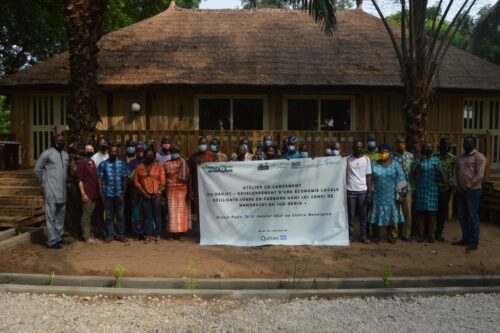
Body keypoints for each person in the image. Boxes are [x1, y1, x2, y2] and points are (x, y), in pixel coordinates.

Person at [34, 134, 70, 249]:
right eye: (57, 140)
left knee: (60, 216)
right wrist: (43, 182)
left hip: (62, 191)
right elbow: (37, 169)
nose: (60, 142)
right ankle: (52, 241)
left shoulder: (66, 155)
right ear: (52, 141)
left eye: (62, 140)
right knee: (50, 216)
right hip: (50, 190)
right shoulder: (47, 153)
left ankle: (58, 238)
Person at [368, 144, 406, 244]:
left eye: (385, 152)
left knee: (391, 216)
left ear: (389, 152)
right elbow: (369, 179)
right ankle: (376, 235)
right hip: (377, 194)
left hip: (391, 194)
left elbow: (401, 178)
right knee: (376, 214)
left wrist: (401, 194)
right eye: (381, 151)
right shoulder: (373, 164)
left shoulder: (395, 164)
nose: (383, 153)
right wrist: (369, 193)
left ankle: (390, 235)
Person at [453, 136, 486, 251]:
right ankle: (465, 238)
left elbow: (480, 175)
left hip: (473, 190)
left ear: (474, 144)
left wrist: (468, 185)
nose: (466, 144)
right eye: (465, 143)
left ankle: (474, 241)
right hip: (460, 190)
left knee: (472, 216)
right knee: (462, 215)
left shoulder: (479, 157)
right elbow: (455, 172)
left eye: (469, 143)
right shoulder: (460, 157)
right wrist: (456, 185)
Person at [412, 142, 444, 243]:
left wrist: (439, 170)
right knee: (420, 213)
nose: (428, 149)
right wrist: (419, 164)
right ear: (423, 149)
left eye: (430, 147)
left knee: (432, 214)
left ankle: (430, 235)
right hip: (421, 189)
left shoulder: (437, 161)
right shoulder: (418, 160)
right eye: (426, 147)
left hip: (433, 190)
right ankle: (421, 235)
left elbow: (443, 177)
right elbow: (413, 175)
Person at [98, 145, 129, 243]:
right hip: (107, 194)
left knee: (120, 216)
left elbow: (125, 179)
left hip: (119, 194)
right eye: (111, 152)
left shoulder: (122, 164)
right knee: (108, 216)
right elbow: (100, 180)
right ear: (109, 152)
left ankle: (120, 235)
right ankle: (110, 234)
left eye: (115, 152)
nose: (113, 153)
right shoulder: (103, 164)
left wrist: (123, 195)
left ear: (117, 153)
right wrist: (102, 195)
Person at [134, 149, 166, 244]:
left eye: (151, 155)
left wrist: (159, 192)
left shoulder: (159, 167)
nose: (149, 156)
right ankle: (147, 235)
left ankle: (157, 235)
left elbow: (163, 181)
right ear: (144, 155)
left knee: (157, 216)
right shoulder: (139, 167)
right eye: (147, 155)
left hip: (156, 195)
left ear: (154, 156)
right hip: (145, 195)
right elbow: (136, 182)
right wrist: (144, 193)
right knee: (147, 216)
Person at [189, 136, 218, 232]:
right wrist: (191, 190)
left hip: (210, 188)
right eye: (201, 143)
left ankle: (212, 231)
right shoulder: (193, 157)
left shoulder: (213, 156)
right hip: (198, 188)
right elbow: (190, 174)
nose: (202, 145)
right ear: (198, 145)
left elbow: (218, 173)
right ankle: (202, 232)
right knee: (199, 210)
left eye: (204, 143)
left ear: (207, 144)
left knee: (211, 209)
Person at [346, 140, 372, 243]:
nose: (358, 148)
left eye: (360, 146)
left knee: (363, 216)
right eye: (356, 146)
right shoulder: (347, 159)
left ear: (363, 148)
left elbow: (368, 176)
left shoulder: (367, 159)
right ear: (353, 147)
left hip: (363, 191)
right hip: (350, 190)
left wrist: (369, 192)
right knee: (350, 216)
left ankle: (363, 236)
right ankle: (350, 236)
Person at [390, 135, 414, 242]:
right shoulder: (391, 157)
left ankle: (406, 233)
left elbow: (413, 173)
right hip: (394, 188)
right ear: (395, 144)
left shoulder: (411, 156)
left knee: (407, 211)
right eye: (399, 142)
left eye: (403, 142)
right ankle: (394, 233)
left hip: (407, 187)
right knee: (394, 210)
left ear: (405, 143)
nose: (401, 144)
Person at [165, 144, 191, 240]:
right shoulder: (166, 163)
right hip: (170, 191)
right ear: (170, 152)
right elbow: (164, 177)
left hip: (182, 190)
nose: (174, 153)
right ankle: (173, 233)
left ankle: (181, 234)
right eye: (172, 152)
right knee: (172, 212)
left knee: (182, 212)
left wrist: (189, 192)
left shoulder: (184, 162)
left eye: (176, 152)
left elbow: (189, 177)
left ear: (179, 152)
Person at [433, 138, 456, 241]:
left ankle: (438, 232)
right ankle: (428, 232)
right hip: (433, 187)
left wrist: (454, 184)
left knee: (442, 211)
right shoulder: (434, 156)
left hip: (446, 188)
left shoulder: (453, 158)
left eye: (449, 145)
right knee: (432, 210)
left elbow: (455, 172)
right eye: (446, 144)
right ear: (440, 145)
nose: (448, 147)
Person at [75, 144, 98, 243]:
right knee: (86, 215)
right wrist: (83, 193)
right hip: (87, 193)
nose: (89, 150)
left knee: (90, 215)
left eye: (91, 149)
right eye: (87, 149)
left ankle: (90, 234)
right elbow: (79, 180)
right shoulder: (81, 163)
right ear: (84, 151)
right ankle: (86, 236)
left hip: (94, 193)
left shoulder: (92, 162)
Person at [127, 141, 146, 239]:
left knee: (146, 212)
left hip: (146, 192)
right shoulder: (132, 163)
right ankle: (137, 232)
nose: (140, 153)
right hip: (135, 192)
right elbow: (128, 176)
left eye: (142, 150)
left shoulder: (148, 161)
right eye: (138, 151)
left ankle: (146, 232)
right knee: (136, 212)